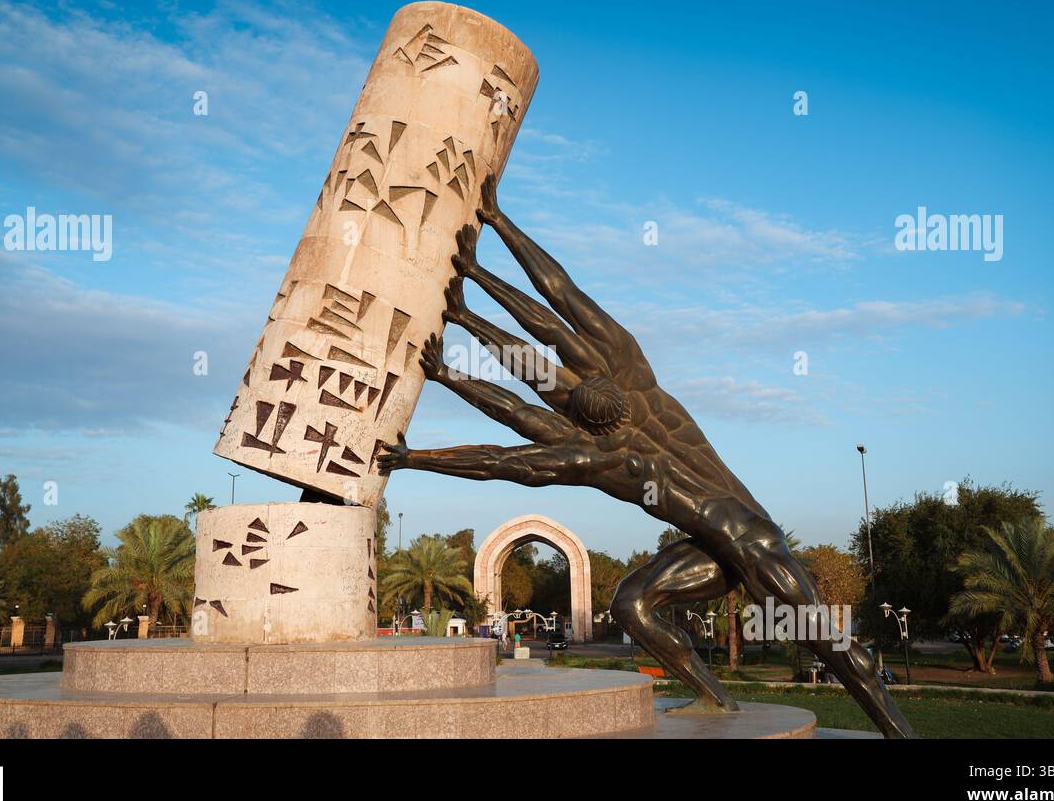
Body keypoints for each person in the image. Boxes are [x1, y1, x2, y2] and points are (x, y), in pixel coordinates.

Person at [379, 174, 917, 739]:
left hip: (751, 542)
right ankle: (715, 697)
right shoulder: (594, 452)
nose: (562, 387)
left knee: (829, 645)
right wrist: (452, 354)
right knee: (631, 604)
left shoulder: (627, 384)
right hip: (707, 551)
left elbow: (557, 302)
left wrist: (494, 229)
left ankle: (900, 732)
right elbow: (508, 433)